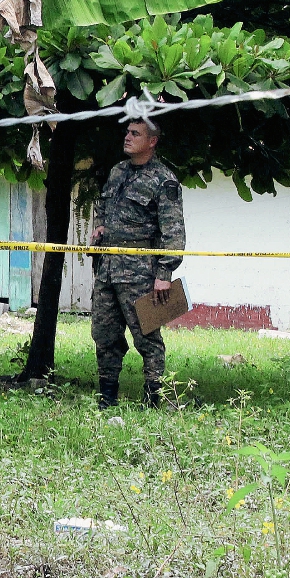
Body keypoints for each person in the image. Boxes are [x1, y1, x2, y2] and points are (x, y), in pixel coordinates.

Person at [89, 120, 186, 408]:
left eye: (135, 134)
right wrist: (101, 226)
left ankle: (154, 396)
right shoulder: (117, 171)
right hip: (108, 268)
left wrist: (165, 272)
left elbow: (174, 231)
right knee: (104, 333)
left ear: (152, 141)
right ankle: (107, 396)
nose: (127, 137)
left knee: (147, 336)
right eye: (127, 132)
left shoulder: (163, 180)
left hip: (141, 272)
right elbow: (102, 206)